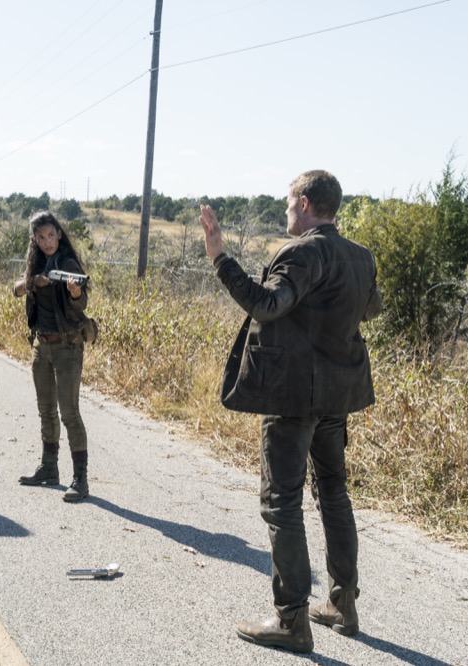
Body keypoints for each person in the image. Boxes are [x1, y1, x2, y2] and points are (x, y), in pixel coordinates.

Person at [199, 170, 382, 654]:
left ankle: (291, 620)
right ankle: (342, 604)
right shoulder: (361, 256)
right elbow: (371, 309)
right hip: (338, 395)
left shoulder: (302, 251)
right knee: (334, 496)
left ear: (303, 203)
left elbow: (266, 304)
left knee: (281, 500)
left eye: (288, 204)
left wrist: (220, 258)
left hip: (294, 394)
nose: (285, 213)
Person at [12, 210, 91, 502]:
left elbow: (81, 303)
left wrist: (73, 293)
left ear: (59, 233)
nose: (47, 241)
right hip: (40, 344)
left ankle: (80, 479)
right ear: (35, 239)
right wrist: (36, 281)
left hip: (67, 345)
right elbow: (16, 289)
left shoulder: (67, 263)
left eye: (51, 235)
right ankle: (49, 468)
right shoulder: (36, 263)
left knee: (69, 412)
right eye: (41, 236)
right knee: (46, 410)